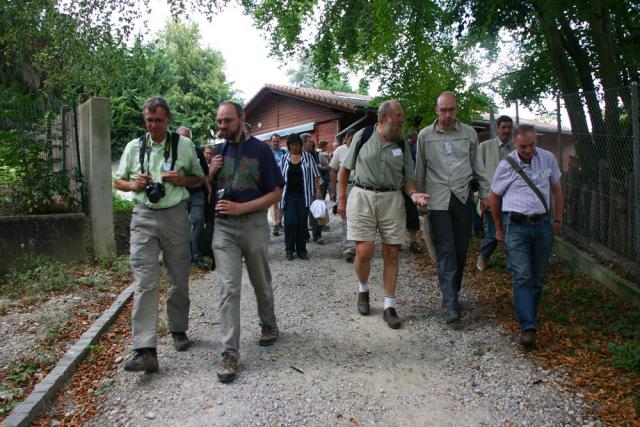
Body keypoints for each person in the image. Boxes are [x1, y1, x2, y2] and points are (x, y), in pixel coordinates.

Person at [114, 96, 204, 373]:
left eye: (158, 120)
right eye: (149, 120)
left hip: (175, 214)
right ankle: (145, 350)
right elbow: (119, 181)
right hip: (143, 216)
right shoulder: (133, 147)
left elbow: (199, 179)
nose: (153, 125)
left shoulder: (184, 146)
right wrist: (133, 184)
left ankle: (178, 329)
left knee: (178, 278)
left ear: (168, 120)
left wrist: (180, 179)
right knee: (145, 282)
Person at [208, 101, 284, 383]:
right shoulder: (217, 151)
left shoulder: (262, 150)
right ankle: (229, 353)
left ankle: (269, 324)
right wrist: (211, 174)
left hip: (252, 224)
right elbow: (204, 192)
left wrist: (242, 208)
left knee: (260, 280)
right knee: (229, 289)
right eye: (219, 122)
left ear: (242, 119)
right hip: (224, 229)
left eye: (227, 121)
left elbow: (275, 193)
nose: (222, 126)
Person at [338, 100, 428, 329]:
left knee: (391, 253)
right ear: (384, 118)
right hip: (362, 197)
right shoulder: (363, 135)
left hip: (391, 199)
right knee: (364, 251)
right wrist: (341, 198)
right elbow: (344, 170)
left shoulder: (402, 144)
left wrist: (414, 194)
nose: (402, 120)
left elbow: (408, 178)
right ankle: (363, 289)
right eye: (398, 115)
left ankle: (389, 306)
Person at [415, 91, 490, 324]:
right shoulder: (425, 136)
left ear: (457, 110)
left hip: (462, 197)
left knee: (460, 249)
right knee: (446, 249)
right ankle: (451, 305)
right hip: (437, 199)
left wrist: (485, 194)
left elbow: (478, 166)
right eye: (443, 110)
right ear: (436, 111)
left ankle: (452, 292)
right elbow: (420, 170)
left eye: (451, 110)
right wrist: (419, 198)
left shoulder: (468, 134)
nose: (447, 115)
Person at [490, 124, 564, 347]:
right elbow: (494, 197)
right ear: (515, 143)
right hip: (517, 226)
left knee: (538, 278)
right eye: (523, 146)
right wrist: (499, 229)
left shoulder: (548, 158)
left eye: (532, 145)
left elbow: (557, 190)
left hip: (542, 224)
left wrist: (558, 219)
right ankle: (528, 327)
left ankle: (527, 311)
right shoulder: (506, 165)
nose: (528, 150)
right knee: (522, 275)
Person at [477, 115, 514, 271]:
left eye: (509, 127)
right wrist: (482, 196)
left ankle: (513, 264)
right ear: (497, 128)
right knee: (494, 231)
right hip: (491, 198)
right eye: (503, 127)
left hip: (512, 199)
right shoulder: (485, 147)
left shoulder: (516, 149)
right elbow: (477, 172)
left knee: (510, 231)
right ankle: (483, 257)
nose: (506, 130)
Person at [278, 133, 322, 260]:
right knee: (290, 222)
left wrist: (318, 190)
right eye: (292, 145)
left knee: (302, 223)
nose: (294, 147)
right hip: (289, 196)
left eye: (296, 144)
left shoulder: (308, 157)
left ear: (300, 145)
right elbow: (279, 177)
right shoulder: (284, 158)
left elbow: (315, 175)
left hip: (304, 195)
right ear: (288, 146)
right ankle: (289, 250)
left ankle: (302, 250)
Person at [176, 126, 209, 270]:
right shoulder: (170, 153)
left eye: (188, 138)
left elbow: (205, 173)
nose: (185, 140)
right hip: (179, 195)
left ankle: (195, 255)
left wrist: (209, 191)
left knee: (198, 222)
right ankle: (182, 256)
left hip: (197, 194)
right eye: (182, 137)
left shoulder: (198, 152)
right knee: (179, 226)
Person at [330, 129, 356, 262]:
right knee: (346, 217)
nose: (352, 141)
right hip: (345, 186)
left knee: (361, 217)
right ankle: (349, 248)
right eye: (351, 139)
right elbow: (334, 171)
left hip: (360, 186)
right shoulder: (339, 150)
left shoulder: (361, 148)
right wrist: (333, 190)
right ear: (346, 138)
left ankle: (360, 245)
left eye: (354, 139)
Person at [301, 133, 323, 243]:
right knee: (302, 215)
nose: (312, 144)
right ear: (304, 143)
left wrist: (318, 190)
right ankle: (305, 235)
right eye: (310, 142)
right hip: (300, 192)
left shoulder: (310, 156)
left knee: (315, 213)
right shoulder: (294, 156)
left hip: (311, 191)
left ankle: (317, 235)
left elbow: (315, 174)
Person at [404, 130, 422, 253]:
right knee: (397, 214)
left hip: (411, 183)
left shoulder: (416, 146)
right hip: (397, 184)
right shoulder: (402, 146)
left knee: (412, 213)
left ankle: (413, 241)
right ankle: (396, 242)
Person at [269, 133, 286, 236]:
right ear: (271, 141)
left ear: (280, 141)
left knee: (282, 203)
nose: (276, 143)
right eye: (274, 141)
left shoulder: (284, 151)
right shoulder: (268, 152)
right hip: (271, 180)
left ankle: (279, 222)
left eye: (277, 141)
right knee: (273, 203)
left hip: (283, 180)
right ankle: (275, 224)